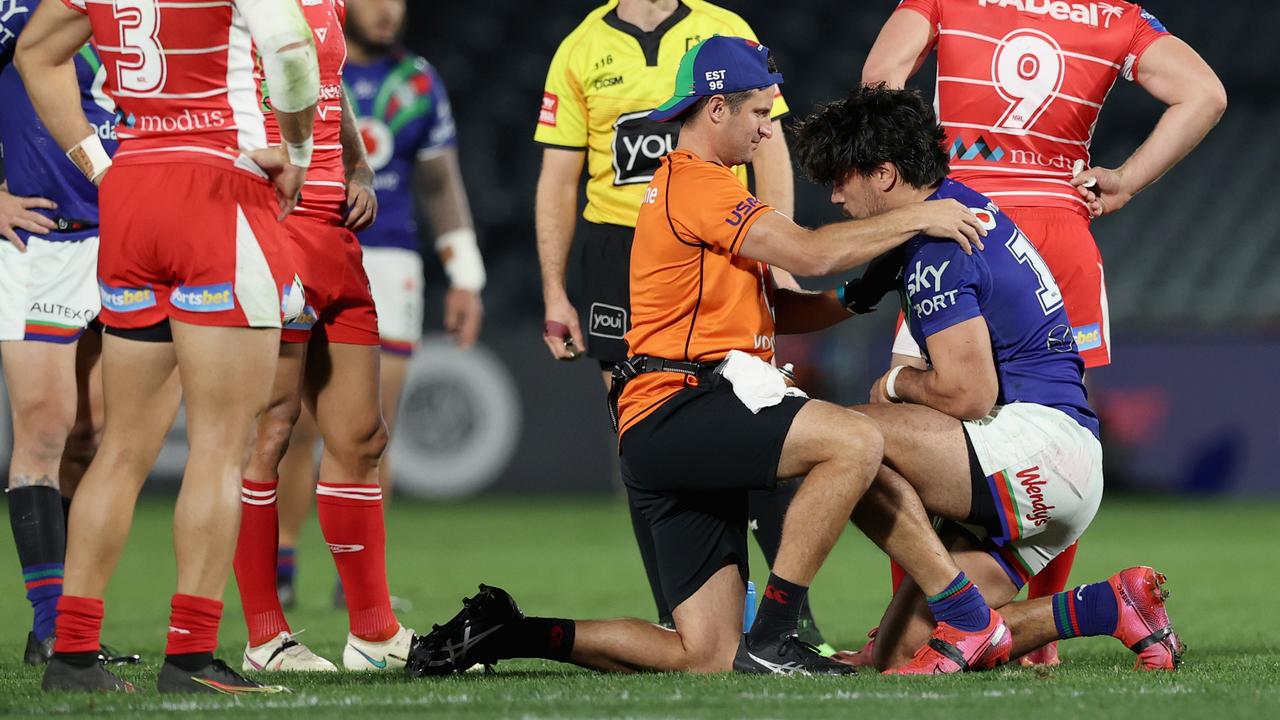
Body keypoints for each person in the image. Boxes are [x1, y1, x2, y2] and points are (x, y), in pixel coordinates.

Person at [406, 37, 988, 677]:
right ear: (717, 109)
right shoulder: (698, 184)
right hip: (682, 404)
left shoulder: (697, 189)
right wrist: (920, 217)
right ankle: (776, 634)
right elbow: (809, 252)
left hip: (669, 416)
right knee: (853, 441)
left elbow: (778, 311)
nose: (768, 133)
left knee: (704, 653)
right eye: (760, 115)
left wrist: (859, 294)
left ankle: (508, 632)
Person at [860, 0, 1226, 664]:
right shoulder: (1114, 13)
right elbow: (1205, 94)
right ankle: (1040, 643)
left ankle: (919, 627)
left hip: (961, 223)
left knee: (912, 418)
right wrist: (1127, 181)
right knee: (1054, 425)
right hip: (1058, 231)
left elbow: (881, 79)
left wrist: (911, 175)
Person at [792, 84, 1181, 673]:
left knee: (845, 438)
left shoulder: (936, 250)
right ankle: (1111, 606)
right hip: (1060, 460)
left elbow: (969, 395)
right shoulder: (947, 211)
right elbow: (837, 301)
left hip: (1034, 449)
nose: (837, 197)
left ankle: (934, 614)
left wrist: (895, 386)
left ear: (886, 173)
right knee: (900, 656)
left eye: (842, 180)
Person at [17, 0, 319, 693]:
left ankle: (72, 655)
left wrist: (98, 163)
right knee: (220, 445)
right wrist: (297, 154)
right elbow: (292, 51)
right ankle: (189, 658)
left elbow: (36, 52)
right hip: (221, 192)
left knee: (122, 446)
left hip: (133, 194)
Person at [534, 0, 825, 647]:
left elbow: (770, 143)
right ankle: (682, 607)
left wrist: (775, 250)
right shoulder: (580, 48)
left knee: (756, 410)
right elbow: (559, 177)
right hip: (620, 243)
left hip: (720, 232)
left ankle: (787, 619)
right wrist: (554, 288)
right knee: (641, 424)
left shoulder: (726, 30)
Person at [269, 0, 485, 611]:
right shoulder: (295, 54)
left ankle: (355, 579)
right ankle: (283, 559)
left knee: (370, 425)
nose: (388, 10)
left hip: (391, 261)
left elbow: (441, 181)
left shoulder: (417, 79)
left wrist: (465, 276)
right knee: (297, 424)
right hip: (304, 241)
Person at [231, 0, 422, 674]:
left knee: (362, 437)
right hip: (270, 229)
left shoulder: (331, 4)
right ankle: (265, 638)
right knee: (272, 431)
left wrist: (360, 167)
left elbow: (326, 90)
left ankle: (373, 631)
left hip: (336, 237)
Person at [0, 1, 125, 667]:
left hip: (123, 234)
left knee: (93, 433)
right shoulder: (18, 8)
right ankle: (51, 626)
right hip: (42, 241)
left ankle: (67, 627)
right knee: (47, 428)